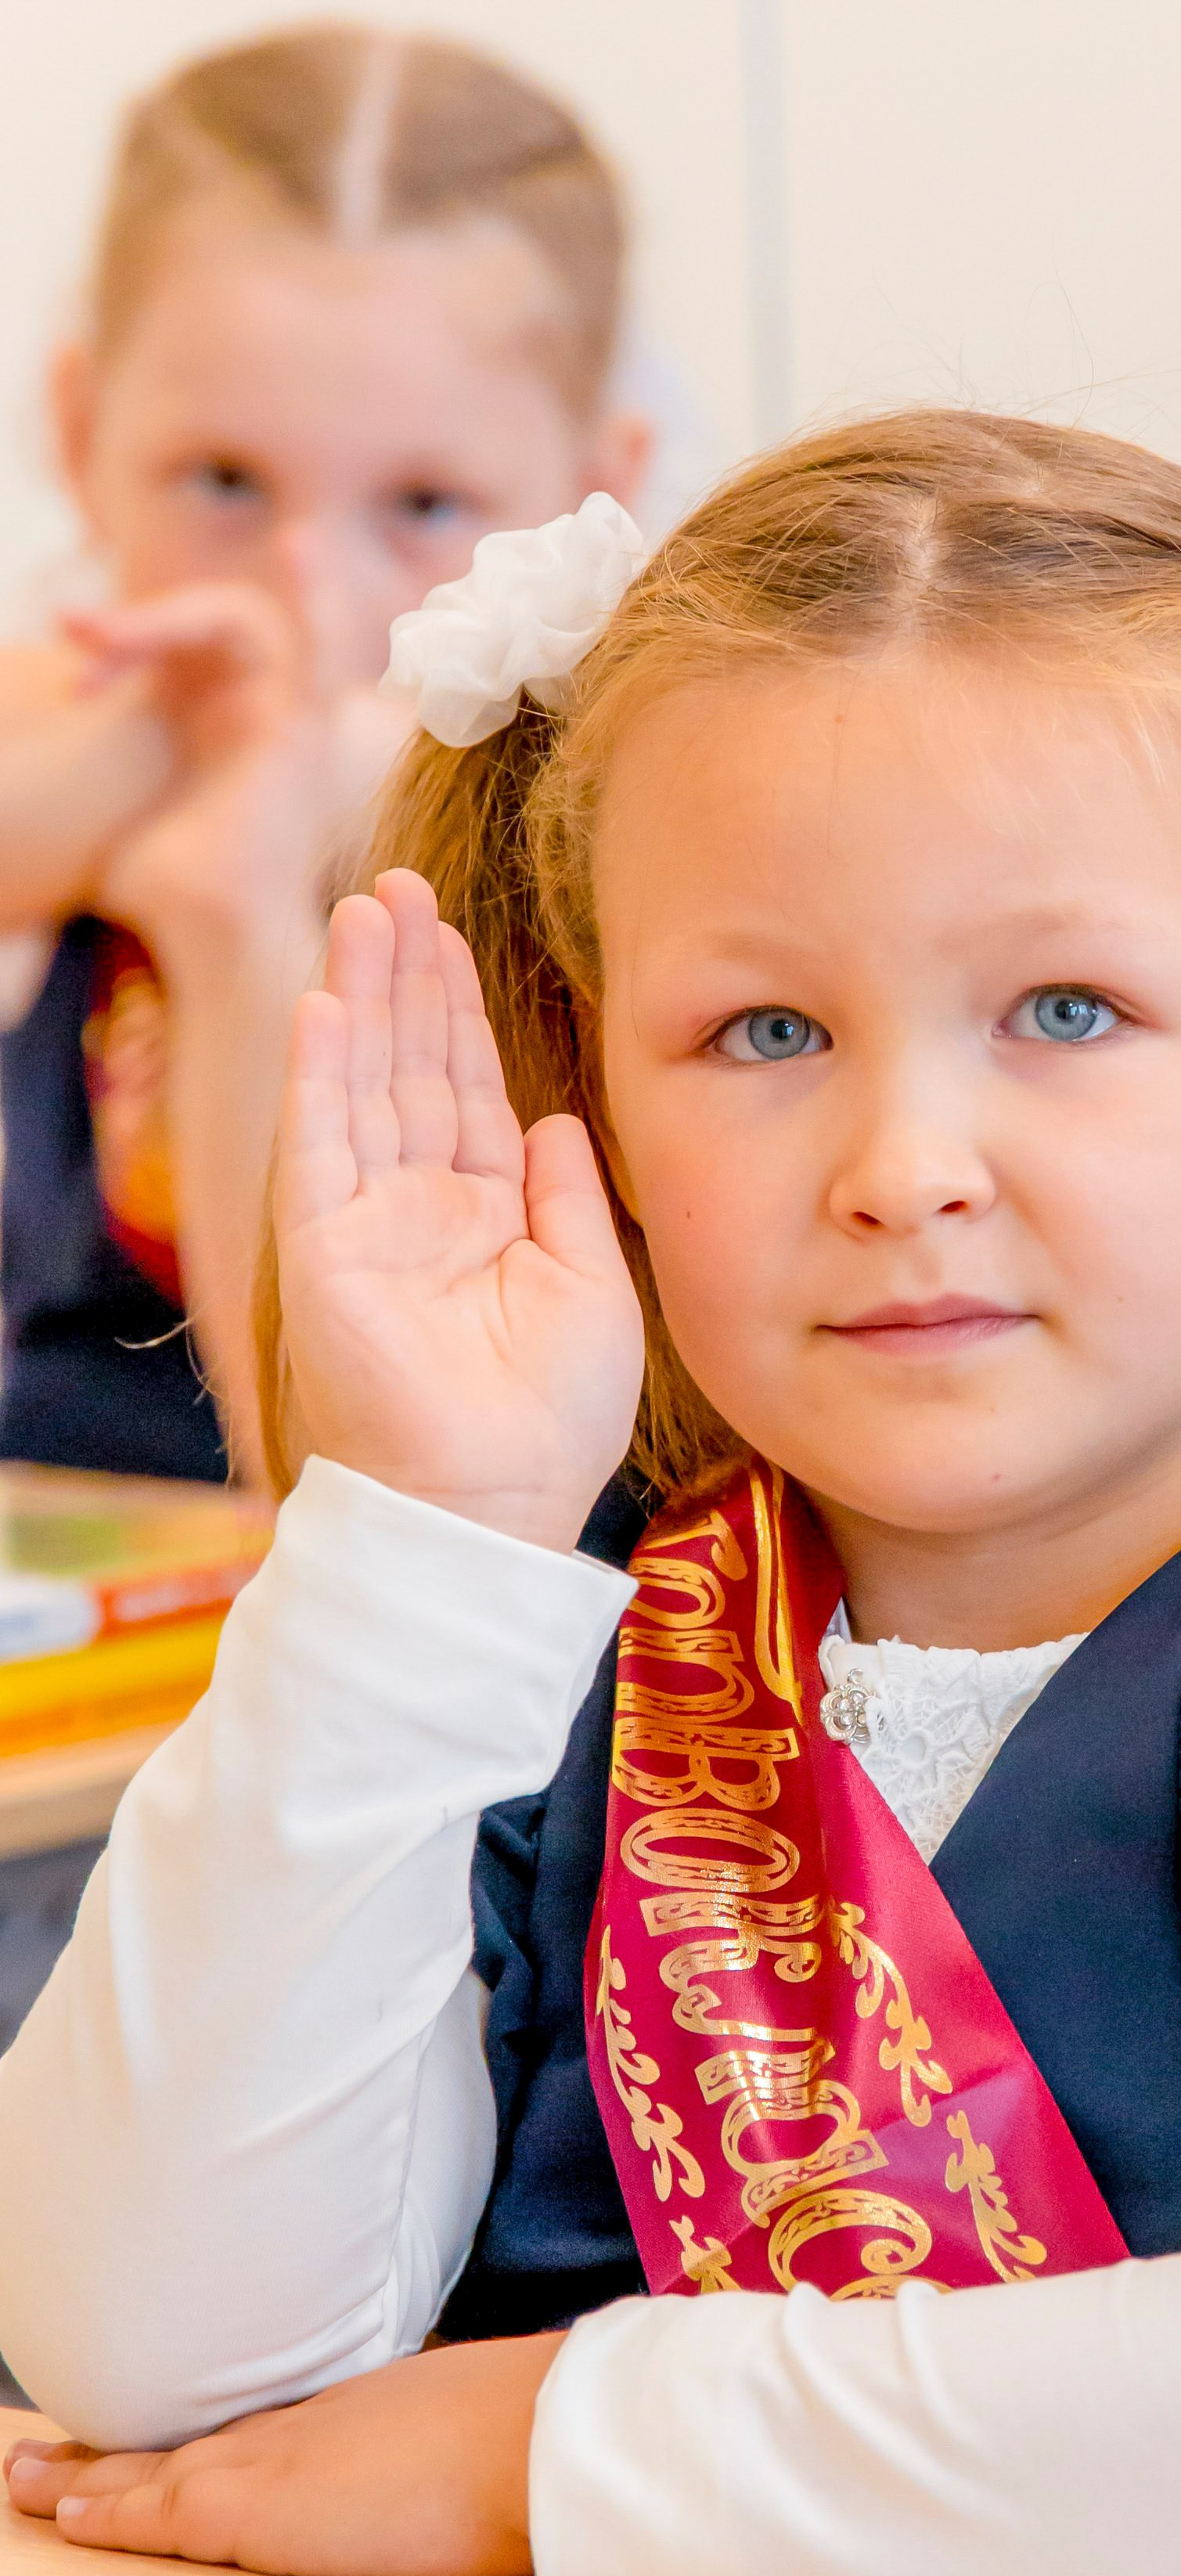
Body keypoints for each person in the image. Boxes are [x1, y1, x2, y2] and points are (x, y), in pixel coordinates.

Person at [2, 412, 1181, 2576]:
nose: (904, 1158)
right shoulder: (546, 1634)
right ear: (597, 1090)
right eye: (762, 1029)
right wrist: (421, 1545)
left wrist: (541, 2446)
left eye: (1066, 1011)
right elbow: (150, 2352)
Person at [0, 23, 647, 1483]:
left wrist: (232, 905)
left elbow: (322, 1477)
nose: (308, 598)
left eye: (422, 502)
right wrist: (226, 757)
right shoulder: (100, 725)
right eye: (224, 481)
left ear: (596, 495)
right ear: (81, 427)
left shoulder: (611, 831)